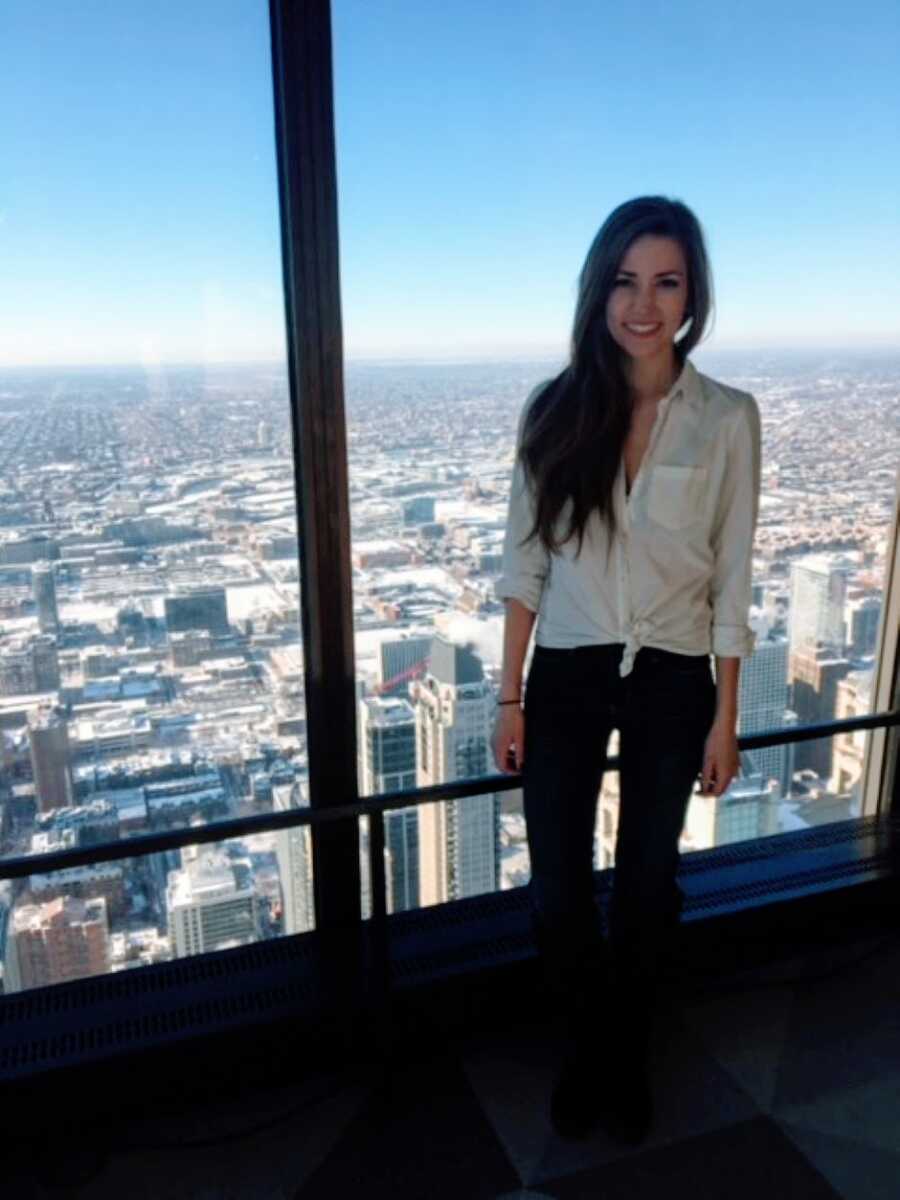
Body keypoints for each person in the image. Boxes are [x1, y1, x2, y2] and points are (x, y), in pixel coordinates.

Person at [492, 195, 761, 1145]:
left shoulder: (728, 418)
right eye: (625, 281)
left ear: (692, 296)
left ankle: (625, 1054)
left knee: (648, 881)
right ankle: (586, 1045)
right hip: (566, 666)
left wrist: (726, 719)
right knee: (558, 887)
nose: (643, 304)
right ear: (599, 289)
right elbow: (525, 561)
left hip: (675, 672)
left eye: (666, 282)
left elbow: (733, 574)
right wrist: (509, 694)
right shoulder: (556, 408)